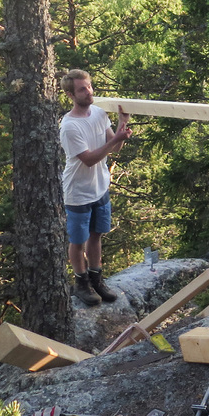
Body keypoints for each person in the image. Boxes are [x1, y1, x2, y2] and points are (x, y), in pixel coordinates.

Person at [59, 69, 129, 306]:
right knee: (78, 241)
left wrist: (122, 125)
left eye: (89, 86)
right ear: (70, 94)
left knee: (96, 234)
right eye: (82, 89)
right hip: (77, 191)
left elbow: (114, 148)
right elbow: (88, 159)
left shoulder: (99, 114)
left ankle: (96, 279)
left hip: (100, 188)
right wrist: (114, 141)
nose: (88, 92)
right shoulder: (69, 126)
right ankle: (81, 283)